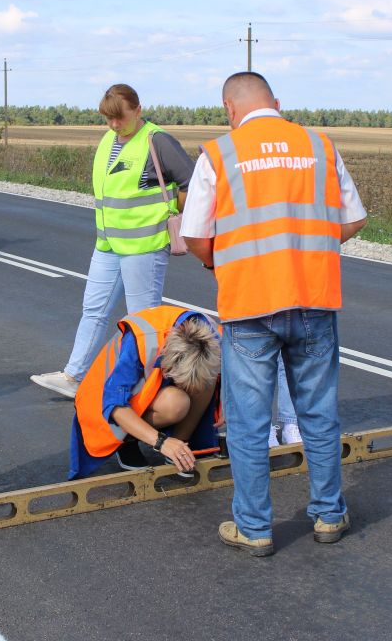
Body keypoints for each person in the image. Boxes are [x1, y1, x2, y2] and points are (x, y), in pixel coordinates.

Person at [181, 71, 367, 556]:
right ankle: (329, 516)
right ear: (277, 103)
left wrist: (216, 261)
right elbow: (353, 218)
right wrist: (307, 249)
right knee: (318, 413)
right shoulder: (319, 144)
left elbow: (197, 236)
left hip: (250, 304)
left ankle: (255, 527)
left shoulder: (219, 153)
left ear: (230, 108)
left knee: (247, 420)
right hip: (313, 298)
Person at [31, 84, 194, 398]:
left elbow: (191, 182)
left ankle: (152, 388)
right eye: (109, 119)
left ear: (138, 110)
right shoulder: (108, 140)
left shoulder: (157, 141)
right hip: (108, 245)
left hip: (144, 247)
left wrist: (173, 211)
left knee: (142, 321)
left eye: (120, 118)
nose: (115, 125)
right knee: (93, 309)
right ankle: (74, 376)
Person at [70, 306, 220, 480]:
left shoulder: (213, 337)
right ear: (167, 362)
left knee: (207, 381)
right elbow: (114, 404)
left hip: (149, 390)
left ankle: (178, 449)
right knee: (176, 403)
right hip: (100, 401)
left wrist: (226, 402)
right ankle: (129, 440)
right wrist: (160, 442)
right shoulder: (141, 340)